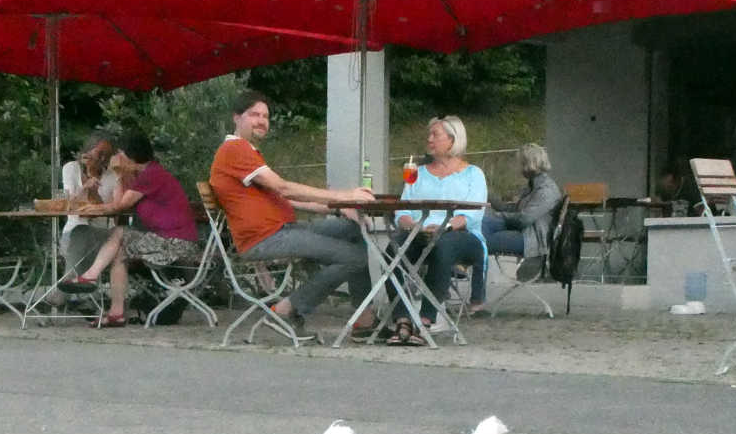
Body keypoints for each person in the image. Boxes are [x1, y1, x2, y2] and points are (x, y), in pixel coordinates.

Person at [208, 89, 376, 335]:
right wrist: (345, 195)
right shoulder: (235, 150)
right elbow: (283, 187)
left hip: (283, 230)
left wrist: (339, 208)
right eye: (254, 114)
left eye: (265, 116)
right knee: (354, 257)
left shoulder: (247, 152)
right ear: (237, 118)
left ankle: (364, 317)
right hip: (264, 239)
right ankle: (288, 309)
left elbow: (286, 198)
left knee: (354, 228)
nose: (262, 121)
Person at [63, 134, 201, 328]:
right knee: (120, 251)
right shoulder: (146, 175)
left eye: (119, 153)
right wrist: (119, 177)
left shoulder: (151, 175)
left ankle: (90, 276)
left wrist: (94, 208)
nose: (115, 157)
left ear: (130, 155)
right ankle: (116, 313)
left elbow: (119, 206)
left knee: (120, 232)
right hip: (169, 241)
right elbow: (120, 203)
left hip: (176, 245)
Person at [387, 115, 488, 345]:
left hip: (461, 236)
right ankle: (402, 320)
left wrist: (445, 226)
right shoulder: (417, 173)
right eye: (429, 135)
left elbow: (473, 214)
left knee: (442, 244)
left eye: (435, 135)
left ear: (452, 141)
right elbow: (402, 210)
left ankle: (425, 320)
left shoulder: (474, 174)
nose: (429, 139)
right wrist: (413, 226)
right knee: (393, 249)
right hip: (420, 233)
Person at [482, 142, 562, 283]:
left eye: (520, 164)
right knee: (482, 223)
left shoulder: (546, 190)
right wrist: (487, 193)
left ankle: (467, 275)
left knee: (479, 240)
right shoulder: (533, 186)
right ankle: (461, 265)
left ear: (529, 164)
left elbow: (524, 219)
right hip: (525, 233)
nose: (518, 168)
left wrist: (500, 215)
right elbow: (513, 210)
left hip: (532, 240)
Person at [58, 132, 120, 280]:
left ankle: (67, 286)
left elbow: (114, 209)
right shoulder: (71, 168)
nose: (103, 158)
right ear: (89, 150)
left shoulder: (113, 176)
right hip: (72, 235)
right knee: (80, 230)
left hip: (102, 237)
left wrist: (94, 191)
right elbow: (70, 204)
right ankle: (76, 282)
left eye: (107, 155)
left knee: (83, 231)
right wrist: (85, 186)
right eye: (100, 153)